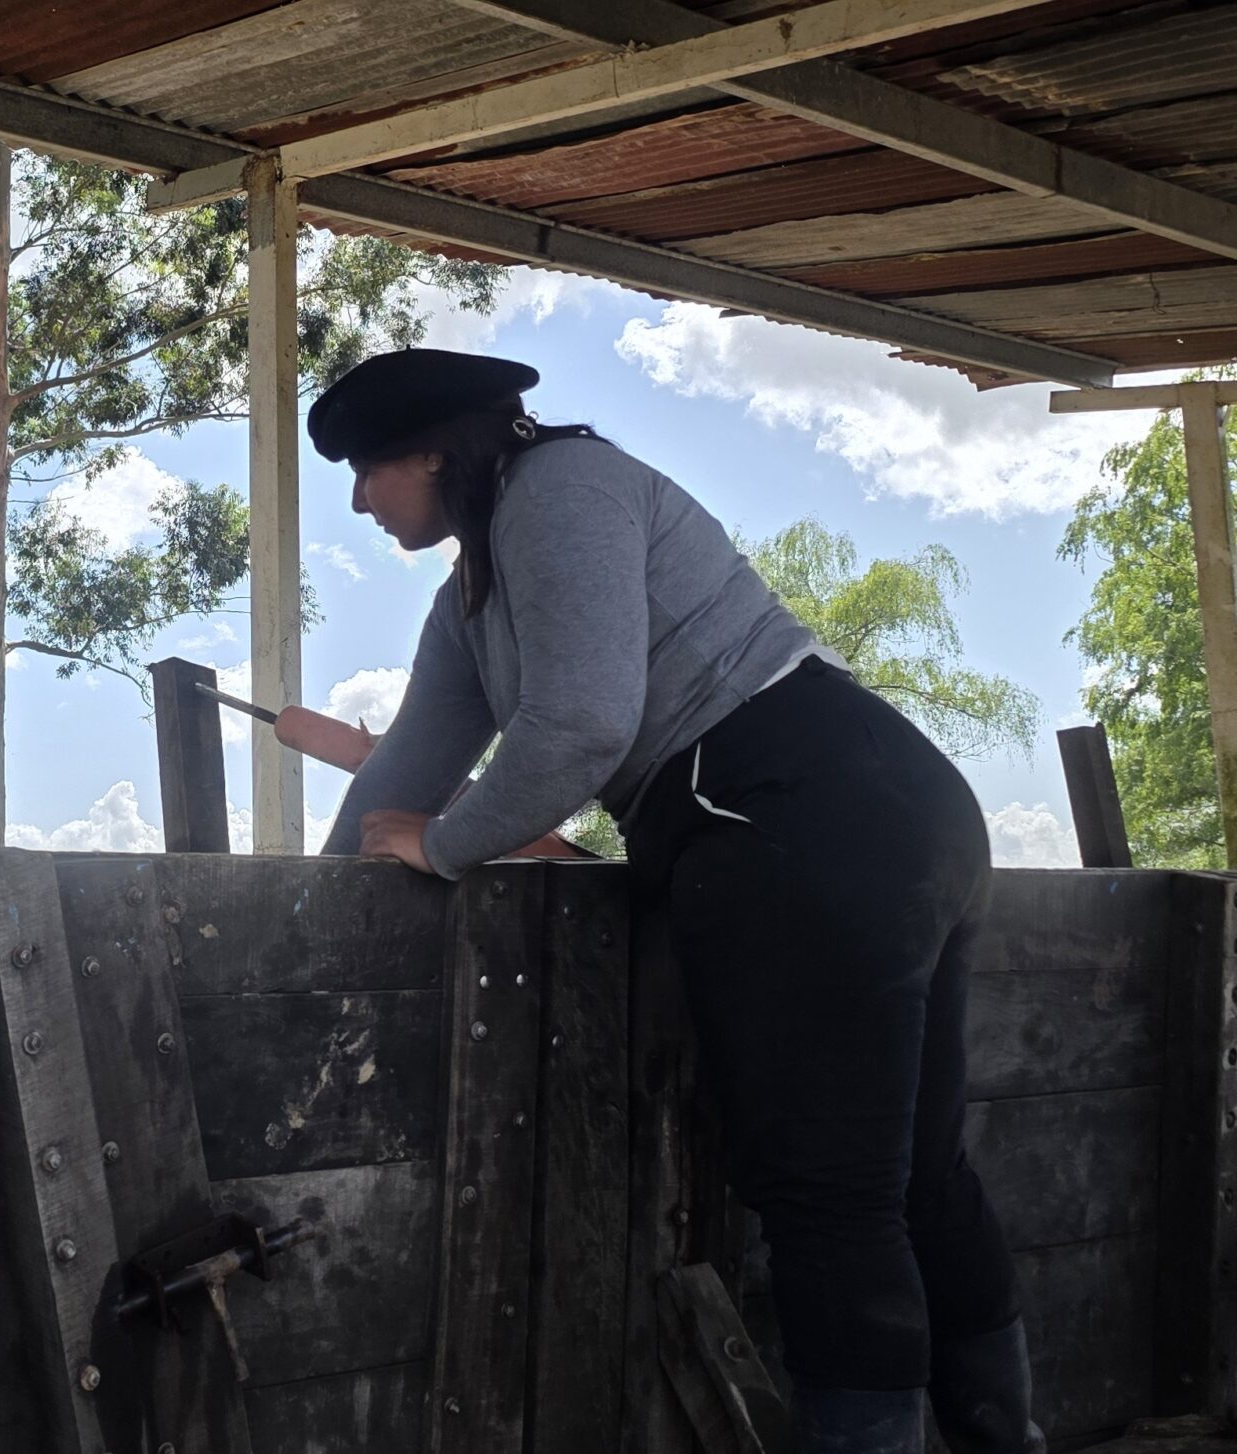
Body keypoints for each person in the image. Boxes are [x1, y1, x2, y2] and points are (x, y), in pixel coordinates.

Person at [311, 348, 1040, 1454]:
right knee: (915, 1174)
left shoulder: (557, 489)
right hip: (882, 809)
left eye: (368, 470)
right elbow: (402, 771)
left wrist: (445, 846)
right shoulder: (474, 596)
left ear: (433, 453)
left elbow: (582, 724)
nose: (361, 500)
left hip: (791, 813)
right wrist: (322, 906)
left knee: (828, 1195)